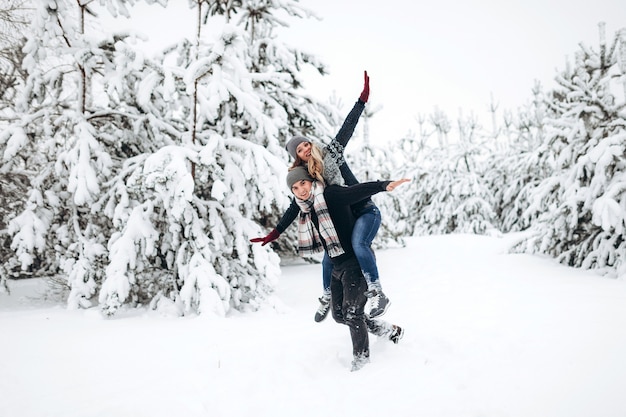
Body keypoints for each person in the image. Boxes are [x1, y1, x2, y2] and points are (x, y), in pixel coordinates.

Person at [250, 71, 390, 322]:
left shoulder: (330, 153)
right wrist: (276, 232)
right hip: (343, 216)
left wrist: (362, 101)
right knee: (329, 255)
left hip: (361, 208)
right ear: (297, 157)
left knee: (359, 245)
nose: (304, 150)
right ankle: (327, 295)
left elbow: (347, 129)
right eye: (299, 151)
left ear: (310, 143)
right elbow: (296, 206)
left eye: (305, 145)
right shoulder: (308, 177)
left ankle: (377, 291)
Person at [285, 165, 409, 371]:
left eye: (303, 183)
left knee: (353, 313)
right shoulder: (306, 209)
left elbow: (358, 190)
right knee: (340, 315)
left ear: (311, 181)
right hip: (336, 265)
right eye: (295, 188)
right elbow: (288, 215)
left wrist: (384, 185)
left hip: (354, 263)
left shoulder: (331, 195)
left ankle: (361, 360)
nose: (301, 190)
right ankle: (389, 331)